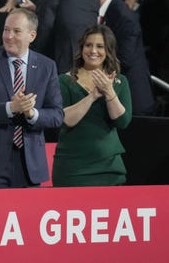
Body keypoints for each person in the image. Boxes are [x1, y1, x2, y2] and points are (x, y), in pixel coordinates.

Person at [0, 8, 64, 188]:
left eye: (16, 31)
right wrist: (11, 108)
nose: (8, 36)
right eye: (6, 30)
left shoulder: (47, 66)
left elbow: (56, 115)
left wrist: (32, 113)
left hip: (29, 165)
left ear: (31, 36)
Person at [52, 25, 133, 186]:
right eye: (88, 45)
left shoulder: (120, 81)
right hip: (72, 169)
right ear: (82, 48)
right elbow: (66, 119)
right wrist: (93, 96)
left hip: (109, 169)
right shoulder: (65, 80)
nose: (93, 50)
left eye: (100, 46)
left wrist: (109, 92)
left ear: (108, 50)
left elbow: (122, 121)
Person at [86, 0, 155, 115]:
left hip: (132, 100)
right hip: (113, 99)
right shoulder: (105, 12)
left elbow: (125, 59)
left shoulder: (124, 17)